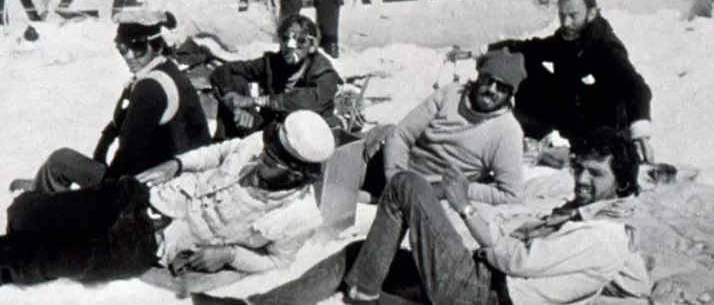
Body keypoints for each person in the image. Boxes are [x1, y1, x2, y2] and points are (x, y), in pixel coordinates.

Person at [192, 133, 651, 305]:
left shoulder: (605, 235)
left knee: (407, 186)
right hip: (479, 284)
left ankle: (363, 296)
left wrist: (464, 206)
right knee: (361, 254)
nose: (582, 180)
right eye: (581, 169)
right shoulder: (591, 219)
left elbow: (517, 261)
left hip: (484, 293)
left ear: (623, 183)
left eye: (596, 174)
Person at [0, 110, 336, 286]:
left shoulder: (301, 216)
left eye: (271, 162)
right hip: (146, 196)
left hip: (155, 242)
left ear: (297, 173)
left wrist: (231, 254)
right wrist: (176, 164)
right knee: (34, 213)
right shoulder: (261, 145)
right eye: (265, 151)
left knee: (59, 258)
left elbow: (278, 262)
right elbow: (220, 152)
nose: (260, 159)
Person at [9, 10, 212, 194]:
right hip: (179, 176)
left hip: (155, 187)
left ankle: (41, 197)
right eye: (122, 48)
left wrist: (105, 191)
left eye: (138, 47)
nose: (129, 56)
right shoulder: (165, 70)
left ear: (156, 45)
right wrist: (102, 149)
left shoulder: (151, 87)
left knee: (60, 160)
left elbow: (129, 154)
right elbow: (120, 123)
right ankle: (44, 187)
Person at [488, 0, 655, 163]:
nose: (566, 22)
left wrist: (641, 135)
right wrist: (487, 49)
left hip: (602, 127)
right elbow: (534, 47)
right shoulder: (569, 37)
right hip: (574, 114)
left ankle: (596, 150)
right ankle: (534, 138)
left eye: (573, 16)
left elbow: (637, 87)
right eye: (562, 16)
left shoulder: (606, 46)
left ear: (591, 14)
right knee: (525, 61)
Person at [361, 49, 527, 206]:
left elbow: (512, 194)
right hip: (393, 172)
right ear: (478, 77)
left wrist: (457, 190)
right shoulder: (451, 95)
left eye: (501, 87)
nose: (491, 89)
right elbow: (401, 135)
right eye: (488, 79)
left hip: (429, 195)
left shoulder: (507, 131)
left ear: (510, 94)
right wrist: (395, 179)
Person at [209, 14, 341, 140]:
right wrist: (233, 102)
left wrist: (256, 101)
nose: (291, 46)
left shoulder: (324, 72)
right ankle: (225, 143)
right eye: (285, 38)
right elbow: (224, 70)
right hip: (272, 129)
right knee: (236, 80)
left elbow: (308, 101)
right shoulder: (273, 63)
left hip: (305, 135)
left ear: (312, 46)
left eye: (301, 41)